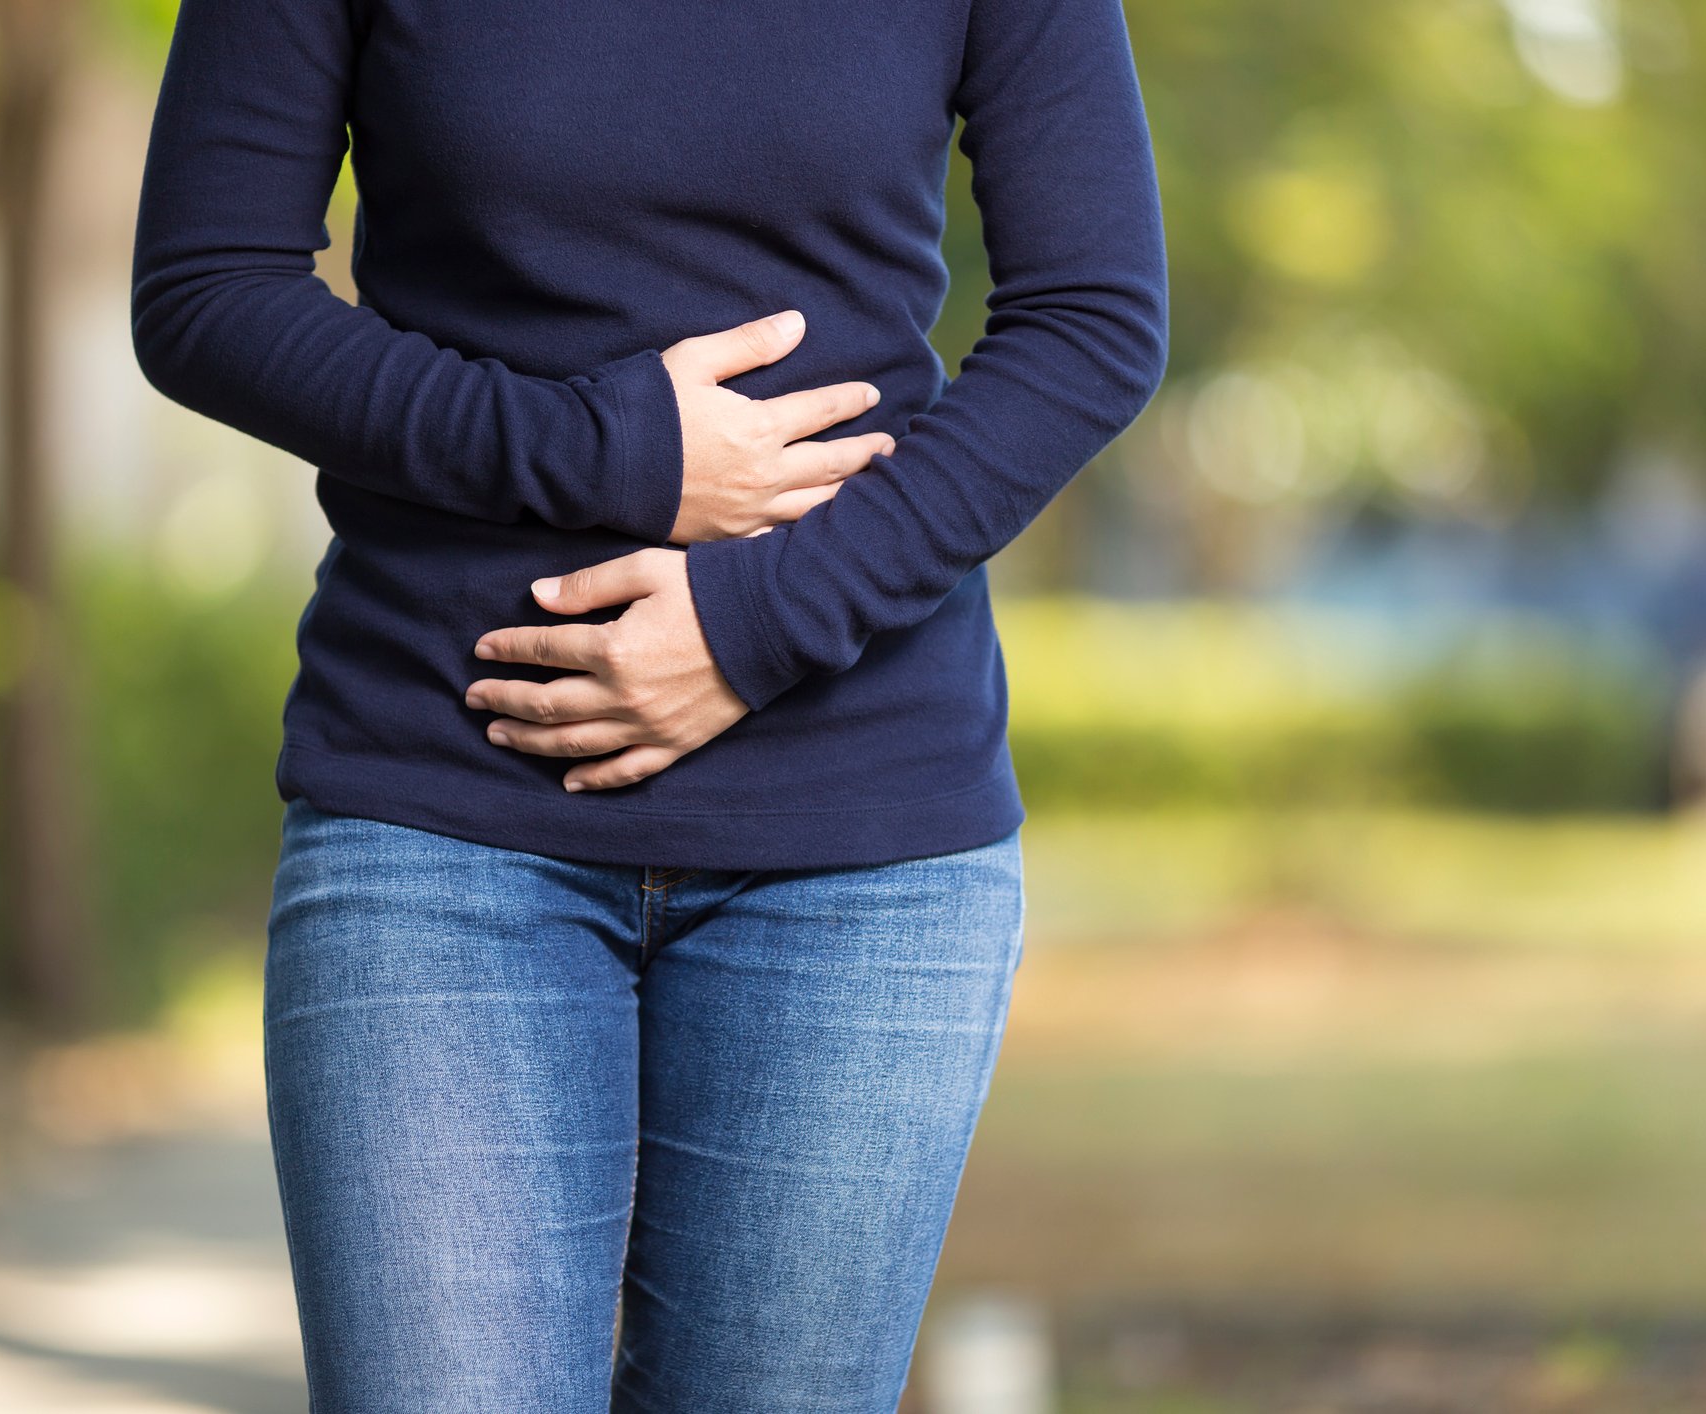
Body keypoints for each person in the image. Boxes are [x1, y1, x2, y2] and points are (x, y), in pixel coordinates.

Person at [129, 0, 1167, 1406]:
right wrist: (601, 449)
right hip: (444, 802)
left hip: (857, 846)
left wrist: (757, 623)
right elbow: (208, 287)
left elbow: (1092, 321)